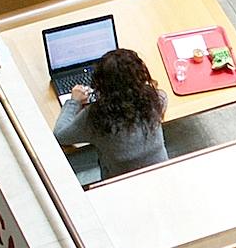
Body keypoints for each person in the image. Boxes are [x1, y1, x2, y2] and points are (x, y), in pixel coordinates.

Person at [52, 48, 169, 179]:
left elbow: (60, 135)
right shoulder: (157, 99)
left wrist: (74, 102)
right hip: (161, 174)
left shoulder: (96, 117)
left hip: (118, 183)